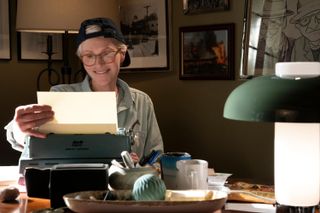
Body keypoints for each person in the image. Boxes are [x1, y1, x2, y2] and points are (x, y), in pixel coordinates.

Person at [4, 17, 164, 162]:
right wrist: (20, 132)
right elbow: (24, 140)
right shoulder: (61, 96)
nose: (99, 63)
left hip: (126, 191)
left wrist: (136, 168)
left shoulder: (143, 102)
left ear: (121, 54)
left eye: (106, 53)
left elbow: (156, 159)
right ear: (81, 59)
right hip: (71, 188)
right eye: (89, 56)